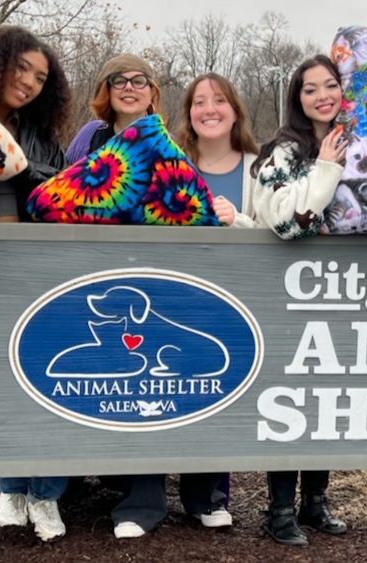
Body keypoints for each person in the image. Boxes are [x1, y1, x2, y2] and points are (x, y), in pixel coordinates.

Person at [66, 55, 233, 539]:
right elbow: (68, 198)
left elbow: (192, 205)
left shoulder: (173, 143)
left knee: (197, 389)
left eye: (140, 80)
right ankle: (142, 500)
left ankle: (206, 496)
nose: (130, 87)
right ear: (106, 88)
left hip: (179, 278)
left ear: (153, 90)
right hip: (110, 273)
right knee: (142, 391)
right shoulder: (89, 139)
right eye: (120, 79)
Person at [0, 25, 71, 541]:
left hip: (36, 272)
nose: (28, 82)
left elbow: (61, 186)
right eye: (21, 68)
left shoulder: (37, 136)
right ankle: (11, 484)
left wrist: (17, 168)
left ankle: (46, 495)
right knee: (0, 383)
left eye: (39, 77)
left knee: (52, 379)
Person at [250, 55, 349, 547]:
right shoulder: (284, 151)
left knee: (326, 401)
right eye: (310, 89)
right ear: (297, 98)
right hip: (288, 291)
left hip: (341, 292)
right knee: (290, 401)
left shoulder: (362, 140)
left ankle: (316, 502)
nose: (322, 96)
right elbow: (288, 223)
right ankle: (280, 510)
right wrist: (328, 167)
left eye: (330, 85)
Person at [175, 72, 259, 227]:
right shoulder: (170, 165)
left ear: (235, 114)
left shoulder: (259, 170)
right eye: (199, 103)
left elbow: (273, 235)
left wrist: (237, 220)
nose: (209, 110)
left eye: (220, 101)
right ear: (189, 115)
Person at [65, 53, 162, 163]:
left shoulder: (169, 145)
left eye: (138, 82)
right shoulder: (90, 134)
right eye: (119, 82)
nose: (129, 87)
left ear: (152, 92)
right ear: (106, 92)